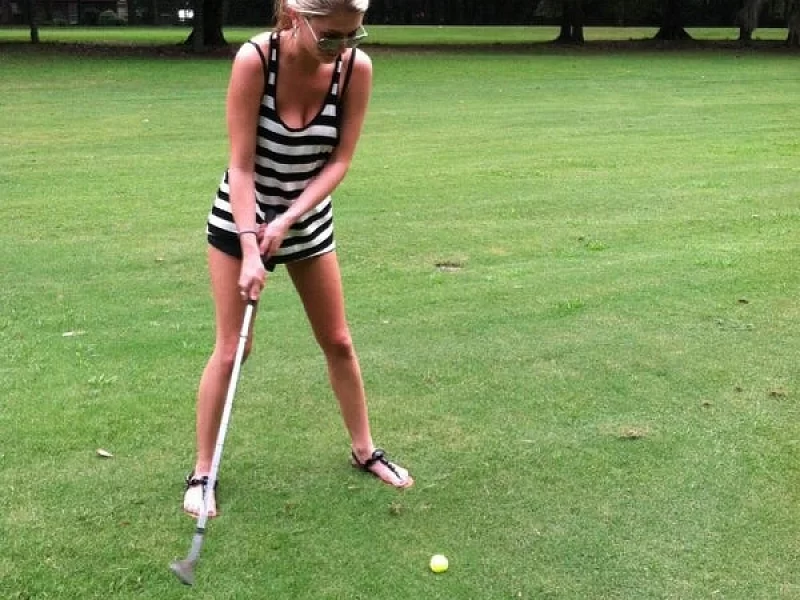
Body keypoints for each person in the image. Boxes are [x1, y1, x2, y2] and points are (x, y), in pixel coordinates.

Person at [183, 0, 413, 518]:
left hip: (305, 218)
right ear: (294, 17)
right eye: (331, 36)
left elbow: (340, 161)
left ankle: (365, 450)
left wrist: (288, 218)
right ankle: (202, 472)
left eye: (353, 35)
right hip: (240, 217)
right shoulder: (255, 60)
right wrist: (250, 247)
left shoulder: (355, 69)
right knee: (233, 349)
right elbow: (241, 168)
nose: (342, 47)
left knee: (338, 340)